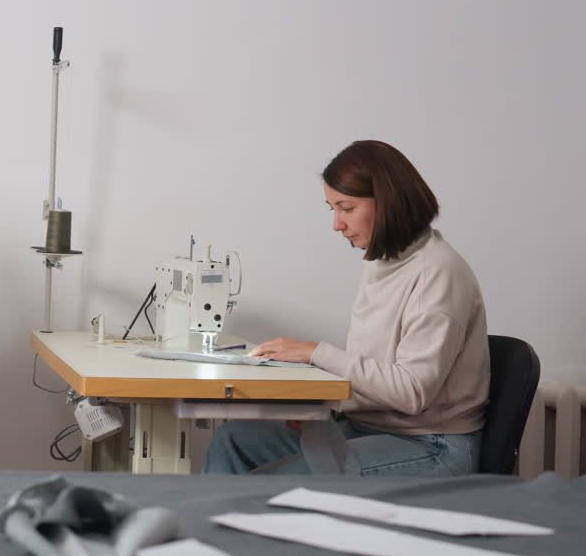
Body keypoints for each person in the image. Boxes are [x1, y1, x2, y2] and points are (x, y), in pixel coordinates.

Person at [202, 140, 489, 476]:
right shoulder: (383, 262)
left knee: (273, 481)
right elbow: (376, 372)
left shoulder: (439, 272)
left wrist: (315, 353)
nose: (337, 224)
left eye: (347, 208)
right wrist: (322, 407)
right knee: (233, 440)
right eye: (332, 209)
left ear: (388, 203)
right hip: (365, 427)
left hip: (430, 445)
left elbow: (411, 391)